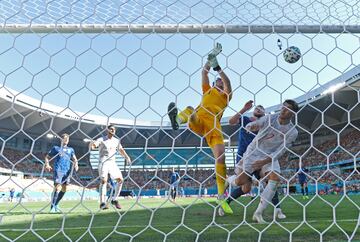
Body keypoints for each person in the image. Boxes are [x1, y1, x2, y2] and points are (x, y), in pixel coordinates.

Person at [167, 43, 233, 214]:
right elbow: (204, 72)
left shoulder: (226, 96)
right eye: (217, 80)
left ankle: (221, 197)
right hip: (199, 120)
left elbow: (228, 83)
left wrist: (218, 66)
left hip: (214, 128)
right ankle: (176, 120)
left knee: (221, 160)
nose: (219, 81)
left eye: (220, 80)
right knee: (189, 109)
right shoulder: (207, 90)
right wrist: (210, 58)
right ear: (213, 83)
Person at [227, 100, 299, 223]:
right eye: (283, 107)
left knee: (275, 177)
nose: (283, 110)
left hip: (270, 156)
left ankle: (259, 212)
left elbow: (282, 151)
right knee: (241, 183)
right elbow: (259, 123)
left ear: (293, 113)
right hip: (253, 152)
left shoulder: (292, 131)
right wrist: (252, 126)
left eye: (287, 109)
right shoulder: (270, 118)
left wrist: (264, 161)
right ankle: (229, 180)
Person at [91, 125, 131, 210]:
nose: (112, 130)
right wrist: (92, 145)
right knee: (104, 180)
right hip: (103, 161)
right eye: (111, 129)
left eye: (114, 129)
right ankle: (102, 202)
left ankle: (115, 199)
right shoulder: (101, 139)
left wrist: (127, 157)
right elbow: (94, 145)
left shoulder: (116, 141)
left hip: (112, 162)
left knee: (120, 180)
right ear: (107, 130)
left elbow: (121, 150)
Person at [45, 133, 78, 213]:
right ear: (61, 139)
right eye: (64, 138)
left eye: (67, 139)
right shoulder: (56, 148)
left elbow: (74, 159)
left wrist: (76, 164)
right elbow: (47, 157)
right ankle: (52, 207)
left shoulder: (71, 149)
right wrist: (47, 164)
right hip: (58, 170)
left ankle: (56, 204)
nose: (66, 140)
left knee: (64, 189)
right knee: (57, 188)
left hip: (67, 171)